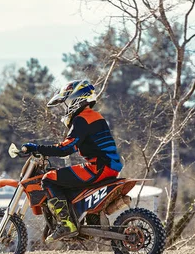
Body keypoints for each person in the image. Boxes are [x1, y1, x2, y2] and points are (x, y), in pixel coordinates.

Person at [22, 79, 123, 242]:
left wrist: (37, 147)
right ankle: (91, 222)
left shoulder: (82, 119)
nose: (65, 108)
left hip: (98, 167)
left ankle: (66, 224)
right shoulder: (94, 116)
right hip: (108, 167)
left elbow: (66, 149)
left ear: (76, 99)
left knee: (48, 179)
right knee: (68, 182)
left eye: (66, 103)